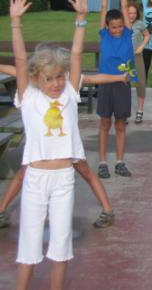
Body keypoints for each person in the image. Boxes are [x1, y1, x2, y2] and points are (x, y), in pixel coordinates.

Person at [11, 0, 88, 290]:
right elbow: (19, 59)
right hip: (35, 179)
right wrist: (16, 23)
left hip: (64, 179)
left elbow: (78, 53)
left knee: (61, 245)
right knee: (29, 246)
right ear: (35, 79)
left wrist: (81, 18)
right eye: (49, 78)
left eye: (60, 76)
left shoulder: (69, 93)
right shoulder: (28, 97)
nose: (56, 83)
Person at [0, 70, 126, 230]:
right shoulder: (35, 80)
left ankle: (108, 211)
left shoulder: (68, 80)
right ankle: (1, 212)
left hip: (68, 145)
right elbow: (17, 69)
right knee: (22, 175)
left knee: (87, 174)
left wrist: (120, 77)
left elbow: (94, 78)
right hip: (43, 147)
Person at [97, 0, 136, 179]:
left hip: (122, 83)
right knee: (104, 124)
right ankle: (103, 162)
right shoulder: (103, 35)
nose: (117, 29)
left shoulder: (127, 33)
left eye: (120, 26)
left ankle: (120, 161)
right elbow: (104, 5)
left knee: (120, 125)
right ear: (107, 26)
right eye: (114, 27)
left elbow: (124, 5)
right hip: (105, 84)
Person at [127, 1, 149, 124]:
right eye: (129, 13)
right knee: (124, 84)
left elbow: (147, 35)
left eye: (134, 13)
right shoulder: (122, 24)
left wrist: (141, 47)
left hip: (137, 57)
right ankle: (123, 113)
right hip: (125, 59)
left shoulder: (140, 24)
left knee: (140, 83)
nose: (132, 15)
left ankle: (140, 111)